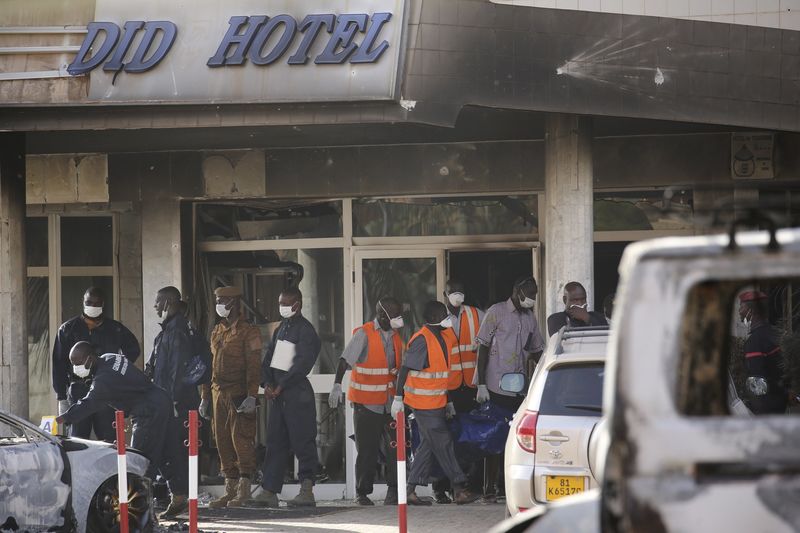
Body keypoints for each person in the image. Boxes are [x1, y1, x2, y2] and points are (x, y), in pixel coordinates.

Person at [392, 300, 480, 506]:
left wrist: (448, 401)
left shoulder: (442, 337)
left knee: (428, 446)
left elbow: (441, 376)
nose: (447, 317)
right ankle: (460, 488)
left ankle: (410, 491)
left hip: (436, 402)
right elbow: (405, 368)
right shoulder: (422, 340)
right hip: (423, 404)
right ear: (433, 318)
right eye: (443, 314)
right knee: (444, 441)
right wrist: (398, 398)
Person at [56, 342, 170, 484]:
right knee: (163, 451)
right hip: (159, 400)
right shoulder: (109, 357)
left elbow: (88, 404)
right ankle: (177, 495)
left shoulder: (103, 381)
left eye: (77, 364)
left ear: (90, 359)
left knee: (139, 461)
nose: (75, 369)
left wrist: (63, 418)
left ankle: (139, 501)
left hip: (149, 412)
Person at [475, 276, 545, 502]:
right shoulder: (496, 312)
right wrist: (481, 384)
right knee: (495, 438)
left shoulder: (530, 318)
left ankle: (507, 488)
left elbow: (537, 350)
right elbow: (482, 348)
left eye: (535, 294)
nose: (532, 298)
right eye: (530, 293)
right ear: (517, 291)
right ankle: (489, 490)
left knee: (514, 440)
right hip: (495, 384)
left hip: (519, 387)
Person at [328, 297, 403, 506]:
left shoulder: (396, 337)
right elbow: (345, 360)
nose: (399, 318)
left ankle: (394, 491)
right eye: (395, 315)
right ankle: (362, 492)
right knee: (367, 451)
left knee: (394, 449)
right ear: (382, 315)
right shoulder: (364, 334)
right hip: (366, 404)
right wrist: (336, 384)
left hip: (390, 404)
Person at [253, 286, 322, 508]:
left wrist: (281, 385)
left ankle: (307, 489)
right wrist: (267, 383)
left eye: (285, 304)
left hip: (296, 393)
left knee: (303, 441)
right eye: (280, 303)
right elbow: (269, 359)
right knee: (275, 441)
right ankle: (269, 490)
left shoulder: (306, 331)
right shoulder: (281, 328)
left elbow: (302, 363)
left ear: (297, 304)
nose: (281, 307)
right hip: (278, 395)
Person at [200, 286, 262, 509]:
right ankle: (230, 490)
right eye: (217, 299)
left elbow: (254, 367)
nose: (218, 304)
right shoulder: (217, 330)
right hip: (218, 393)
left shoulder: (249, 331)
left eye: (222, 300)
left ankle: (244, 490)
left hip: (238, 394)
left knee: (241, 440)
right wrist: (205, 397)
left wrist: (252, 396)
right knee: (222, 441)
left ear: (234, 302)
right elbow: (209, 367)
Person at [52, 286, 140, 441]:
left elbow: (133, 349)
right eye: (89, 302)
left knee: (109, 439)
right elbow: (58, 364)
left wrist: (117, 370)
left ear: (103, 304)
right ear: (83, 302)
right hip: (78, 388)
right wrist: (61, 397)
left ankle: (111, 465)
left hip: (105, 389)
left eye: (96, 303)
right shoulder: (68, 329)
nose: (92, 306)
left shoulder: (114, 328)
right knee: (77, 439)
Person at [149, 286, 203, 518]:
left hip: (176, 404)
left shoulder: (178, 331)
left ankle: (183, 497)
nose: (155, 307)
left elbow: (176, 371)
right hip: (165, 401)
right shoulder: (167, 331)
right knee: (167, 451)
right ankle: (179, 495)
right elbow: (156, 367)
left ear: (169, 302)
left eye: (158, 302)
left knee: (175, 451)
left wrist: (170, 400)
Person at [433, 279, 484, 503]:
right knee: (446, 441)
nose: (458, 295)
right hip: (448, 389)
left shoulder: (476, 314)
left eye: (461, 291)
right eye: (454, 292)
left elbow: (486, 345)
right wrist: (445, 397)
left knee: (470, 439)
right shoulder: (438, 317)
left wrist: (482, 382)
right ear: (445, 293)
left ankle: (467, 486)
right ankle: (440, 487)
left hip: (471, 387)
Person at [739, 290, 787, 414]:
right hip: (780, 402)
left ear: (752, 310)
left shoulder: (755, 341)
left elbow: (757, 383)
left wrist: (756, 412)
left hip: (766, 410)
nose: (740, 311)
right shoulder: (772, 333)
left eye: (742, 306)